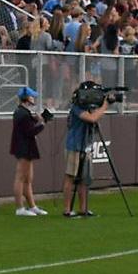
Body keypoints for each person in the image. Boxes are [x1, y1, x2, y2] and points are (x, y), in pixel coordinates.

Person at [60, 86, 107, 218]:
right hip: (74, 145)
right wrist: (105, 105)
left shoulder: (88, 108)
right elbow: (92, 119)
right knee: (71, 176)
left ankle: (83, 208)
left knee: (84, 178)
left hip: (86, 145)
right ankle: (67, 209)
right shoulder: (76, 108)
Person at [10, 87, 48, 217]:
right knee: (20, 177)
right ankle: (19, 207)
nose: (33, 98)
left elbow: (29, 126)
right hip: (24, 148)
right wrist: (42, 124)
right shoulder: (22, 113)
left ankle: (32, 206)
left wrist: (38, 120)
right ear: (26, 98)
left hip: (26, 147)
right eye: (32, 96)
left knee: (28, 179)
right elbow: (29, 132)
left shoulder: (23, 112)